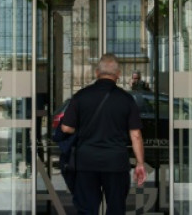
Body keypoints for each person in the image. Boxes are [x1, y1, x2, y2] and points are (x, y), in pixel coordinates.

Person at [61, 54, 147, 215]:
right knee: (116, 209)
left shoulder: (81, 96)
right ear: (118, 74)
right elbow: (135, 135)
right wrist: (140, 163)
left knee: (87, 209)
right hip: (116, 163)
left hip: (86, 162)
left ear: (96, 73)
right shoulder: (126, 99)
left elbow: (66, 128)